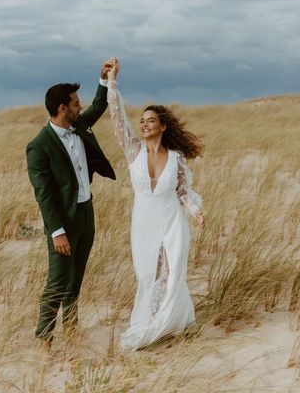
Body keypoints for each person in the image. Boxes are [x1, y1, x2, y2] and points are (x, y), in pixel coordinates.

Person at [104, 57, 205, 350]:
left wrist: (196, 211)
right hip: (144, 223)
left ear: (162, 126)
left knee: (171, 271)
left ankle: (168, 324)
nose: (145, 125)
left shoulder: (176, 159)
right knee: (148, 274)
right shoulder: (132, 149)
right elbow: (117, 119)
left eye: (151, 121)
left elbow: (183, 191)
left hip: (172, 220)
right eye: (142, 121)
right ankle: (156, 321)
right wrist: (113, 82)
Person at [26, 62, 115, 347]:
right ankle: (44, 339)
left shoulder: (78, 125)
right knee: (57, 282)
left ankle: (72, 332)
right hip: (64, 222)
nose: (81, 107)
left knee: (75, 281)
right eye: (76, 103)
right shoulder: (39, 146)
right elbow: (44, 194)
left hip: (86, 214)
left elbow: (98, 108)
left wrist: (103, 81)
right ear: (62, 108)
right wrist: (57, 231)